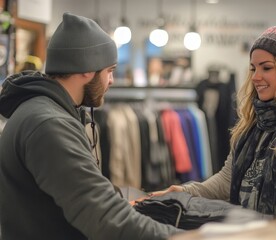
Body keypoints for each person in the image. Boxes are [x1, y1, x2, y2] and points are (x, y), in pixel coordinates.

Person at [0, 12, 182, 239]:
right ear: (87, 68)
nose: (111, 81)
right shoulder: (49, 125)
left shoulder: (47, 112)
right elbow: (105, 218)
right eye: (110, 71)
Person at [151, 22, 276, 217]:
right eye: (253, 68)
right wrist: (184, 191)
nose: (256, 77)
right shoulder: (253, 123)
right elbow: (227, 180)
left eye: (266, 68)